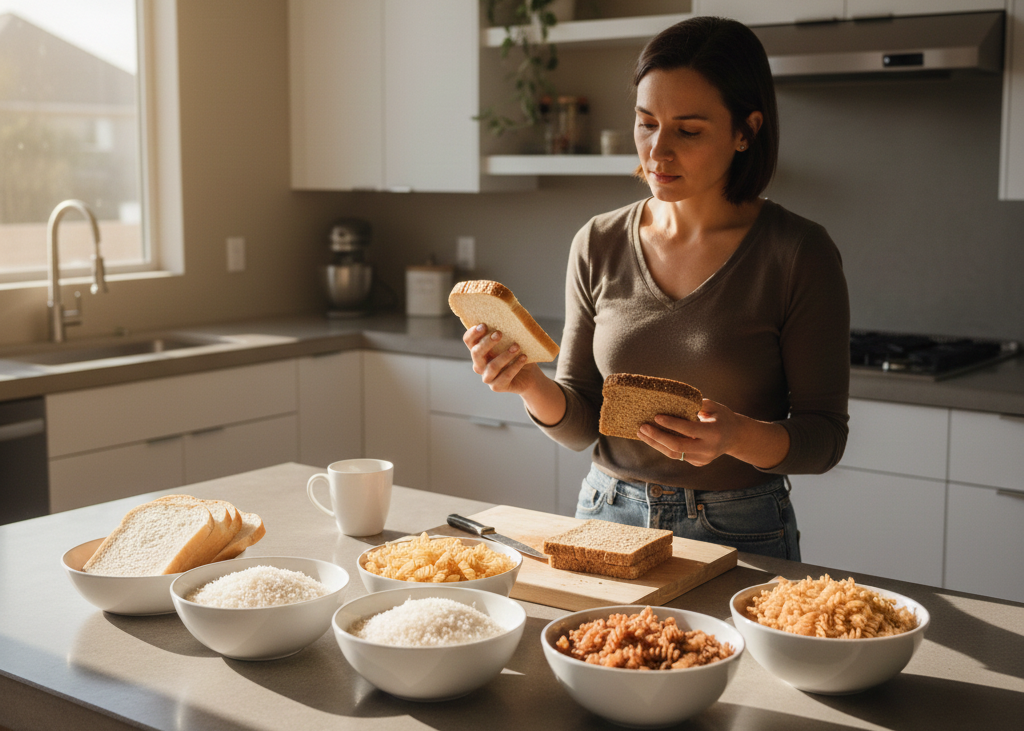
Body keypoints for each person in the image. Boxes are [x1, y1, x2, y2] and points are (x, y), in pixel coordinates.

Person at [461, 17, 850, 560]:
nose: (657, 151)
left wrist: (735, 436)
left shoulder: (797, 252)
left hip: (739, 528)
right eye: (647, 124)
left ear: (747, 131)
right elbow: (580, 426)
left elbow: (825, 439)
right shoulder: (597, 242)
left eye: (688, 131)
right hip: (607, 512)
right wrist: (528, 383)